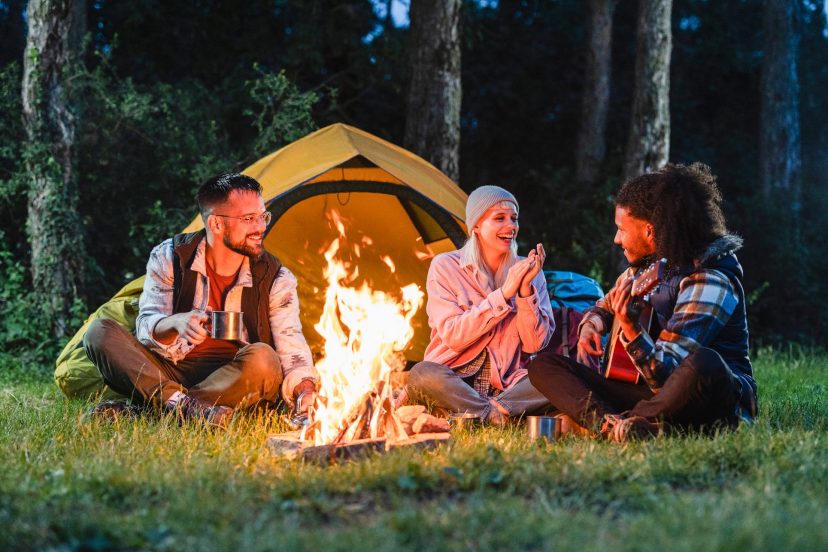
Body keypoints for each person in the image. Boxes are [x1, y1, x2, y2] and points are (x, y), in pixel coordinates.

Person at [528, 163, 757, 441]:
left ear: (650, 231)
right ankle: (614, 425)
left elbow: (666, 376)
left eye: (622, 229)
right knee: (543, 366)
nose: (616, 239)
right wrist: (592, 323)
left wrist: (631, 329)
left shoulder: (710, 280)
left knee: (704, 363)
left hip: (706, 396)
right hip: (650, 392)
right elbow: (605, 305)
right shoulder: (652, 266)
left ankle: (622, 422)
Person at [84, 173, 318, 426]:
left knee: (264, 358)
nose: (261, 227)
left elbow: (292, 347)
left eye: (263, 216)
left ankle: (161, 408)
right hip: (170, 367)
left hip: (235, 375)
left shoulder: (276, 277)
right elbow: (146, 327)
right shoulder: (170, 257)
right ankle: (191, 408)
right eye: (249, 219)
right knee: (98, 332)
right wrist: (175, 323)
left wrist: (305, 392)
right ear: (216, 224)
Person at [405, 185, 555, 425]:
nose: (511, 226)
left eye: (514, 218)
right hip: (453, 379)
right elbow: (454, 336)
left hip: (507, 385)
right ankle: (497, 415)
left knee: (559, 376)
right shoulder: (445, 266)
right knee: (422, 374)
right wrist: (504, 294)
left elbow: (534, 344)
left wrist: (525, 291)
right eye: (500, 218)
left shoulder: (528, 271)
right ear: (476, 225)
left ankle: (485, 411)